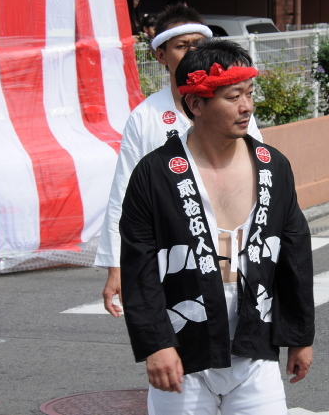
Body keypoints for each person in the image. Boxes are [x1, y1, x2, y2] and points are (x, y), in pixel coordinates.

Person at [119, 39, 315, 414]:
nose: (247, 107)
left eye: (249, 93)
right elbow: (138, 266)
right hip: (183, 349)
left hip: (255, 346)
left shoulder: (273, 166)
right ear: (196, 104)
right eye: (233, 97)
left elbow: (295, 255)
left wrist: (300, 336)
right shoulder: (155, 172)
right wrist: (156, 343)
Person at [94, 5, 264, 317]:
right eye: (182, 46)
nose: (192, 52)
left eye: (199, 44)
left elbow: (262, 177)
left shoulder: (232, 109)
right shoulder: (144, 117)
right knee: (182, 330)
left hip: (230, 242)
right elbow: (124, 191)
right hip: (171, 248)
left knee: (239, 328)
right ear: (161, 55)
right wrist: (116, 263)